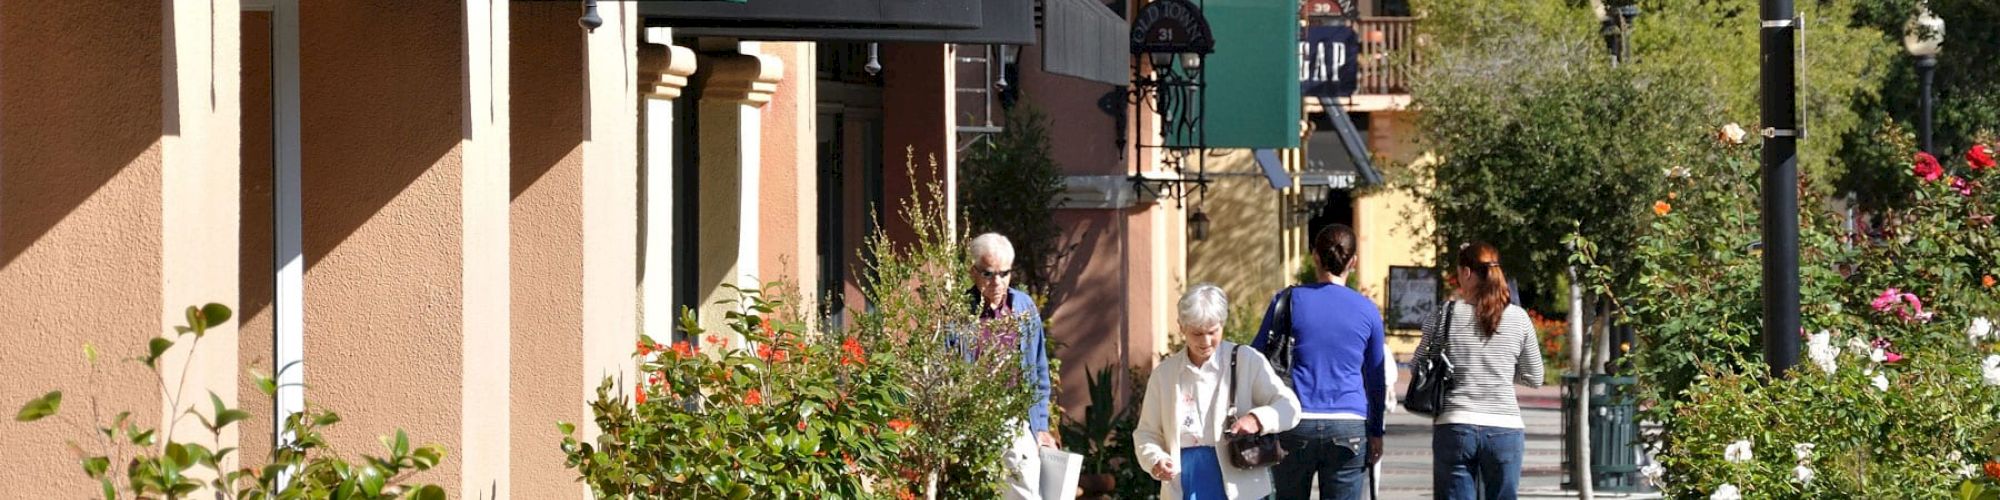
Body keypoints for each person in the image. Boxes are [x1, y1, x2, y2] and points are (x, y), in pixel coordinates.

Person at [1253, 224, 1387, 500]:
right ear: (1353, 261)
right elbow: (1376, 377)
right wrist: (1376, 431)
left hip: (1294, 419)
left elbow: (1256, 357)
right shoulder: (1367, 310)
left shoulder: (1287, 301)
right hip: (1349, 423)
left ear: (1314, 256)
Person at [1136, 284, 1301, 499]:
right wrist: (1155, 459)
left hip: (1238, 482)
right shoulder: (1164, 374)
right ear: (1181, 327)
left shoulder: (1247, 360)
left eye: (1213, 332)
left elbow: (1290, 408)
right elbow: (1146, 433)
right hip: (1184, 480)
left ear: (1222, 324)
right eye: (1196, 333)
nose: (1205, 342)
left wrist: (1256, 419)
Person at [1413, 242, 1545, 500]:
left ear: (1467, 272)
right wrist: (1505, 370)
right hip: (1505, 428)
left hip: (1455, 425)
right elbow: (1535, 376)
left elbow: (1419, 364)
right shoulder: (1518, 317)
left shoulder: (1444, 314)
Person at [966, 233, 1055, 499]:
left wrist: (1040, 426)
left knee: (1025, 487)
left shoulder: (1023, 307)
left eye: (1004, 274)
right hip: (973, 415)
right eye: (989, 274)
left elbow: (1039, 368)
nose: (997, 282)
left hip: (1015, 414)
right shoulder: (959, 311)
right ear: (973, 272)